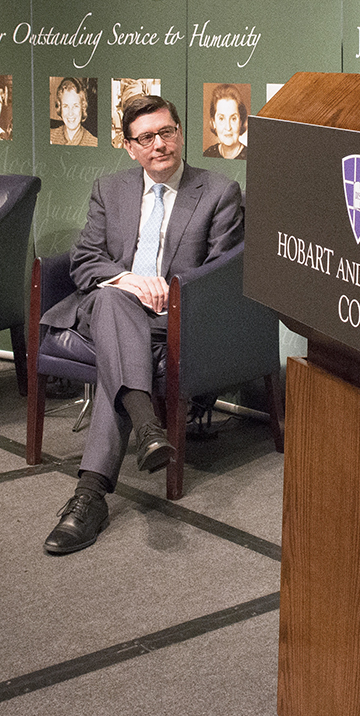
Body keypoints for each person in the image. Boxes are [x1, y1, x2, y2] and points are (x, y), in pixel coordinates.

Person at [39, 93, 244, 554]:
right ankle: (148, 426)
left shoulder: (218, 192)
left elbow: (223, 270)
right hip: (113, 308)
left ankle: (89, 497)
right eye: (146, 137)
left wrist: (170, 290)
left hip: (175, 314)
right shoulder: (109, 188)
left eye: (167, 132)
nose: (159, 144)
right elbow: (85, 259)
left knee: (118, 349)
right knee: (112, 300)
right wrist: (129, 280)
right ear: (129, 146)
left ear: (180, 134)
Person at [203, 84, 248, 159]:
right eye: (221, 118)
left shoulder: (251, 156)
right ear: (213, 122)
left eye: (233, 118)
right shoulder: (208, 154)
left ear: (240, 122)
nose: (228, 127)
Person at [51, 77, 97, 146]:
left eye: (75, 106)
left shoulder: (94, 143)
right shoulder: (50, 137)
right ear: (60, 108)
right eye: (66, 106)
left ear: (83, 107)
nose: (70, 113)